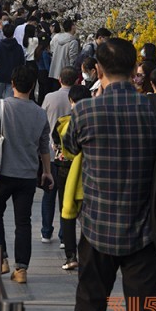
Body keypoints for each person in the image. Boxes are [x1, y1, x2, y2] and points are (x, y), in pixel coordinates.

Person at [62, 38, 156, 311]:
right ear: (137, 69)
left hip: (97, 229)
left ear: (97, 69)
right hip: (145, 231)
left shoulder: (84, 111)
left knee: (89, 310)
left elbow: (69, 148)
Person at [0, 66, 53, 284]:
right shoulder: (40, 113)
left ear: (12, 84)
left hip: (0, 173)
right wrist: (47, 173)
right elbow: (44, 147)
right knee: (23, 222)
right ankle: (21, 269)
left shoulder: (0, 106)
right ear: (33, 86)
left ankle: (2, 258)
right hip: (28, 176)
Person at [57, 84, 93, 271]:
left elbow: (61, 148)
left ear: (71, 101)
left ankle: (71, 256)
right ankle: (88, 254)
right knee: (88, 216)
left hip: (66, 172)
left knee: (67, 214)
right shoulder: (93, 120)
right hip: (89, 173)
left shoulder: (63, 123)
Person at [40, 67, 74, 244]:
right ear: (76, 80)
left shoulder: (49, 97)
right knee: (66, 196)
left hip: (51, 153)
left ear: (60, 79)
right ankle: (64, 236)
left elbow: (41, 119)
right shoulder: (78, 99)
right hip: (70, 155)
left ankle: (46, 231)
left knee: (49, 194)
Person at [0, 23, 25, 101]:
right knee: (9, 98)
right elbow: (22, 62)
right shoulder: (18, 47)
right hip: (12, 76)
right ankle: (7, 111)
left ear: (3, 32)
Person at [49, 18, 80, 83]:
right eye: (74, 25)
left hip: (54, 70)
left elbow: (51, 49)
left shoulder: (56, 37)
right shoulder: (73, 42)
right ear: (72, 27)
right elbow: (73, 59)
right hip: (66, 73)